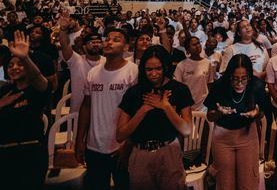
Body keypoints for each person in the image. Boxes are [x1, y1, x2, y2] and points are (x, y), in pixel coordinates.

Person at [117, 46, 193, 190]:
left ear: (165, 67)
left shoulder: (179, 90)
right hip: (141, 153)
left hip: (169, 149)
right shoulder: (134, 92)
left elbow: (187, 130)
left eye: (158, 69)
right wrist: (144, 109)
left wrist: (165, 106)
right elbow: (120, 134)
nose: (153, 74)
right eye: (148, 70)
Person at [76, 27, 139, 190]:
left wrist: (129, 144)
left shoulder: (133, 71)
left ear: (126, 47)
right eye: (108, 38)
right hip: (94, 145)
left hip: (122, 146)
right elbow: (86, 106)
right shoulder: (93, 73)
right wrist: (79, 140)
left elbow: (137, 111)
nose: (109, 42)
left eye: (116, 39)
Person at [205, 54, 267, 190]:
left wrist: (256, 114)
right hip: (222, 137)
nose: (239, 83)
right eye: (235, 79)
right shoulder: (220, 86)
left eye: (244, 79)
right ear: (229, 76)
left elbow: (262, 111)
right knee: (225, 182)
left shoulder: (256, 85)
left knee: (248, 181)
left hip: (247, 136)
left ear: (249, 76)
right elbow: (210, 116)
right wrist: (219, 113)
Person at [0, 31, 50, 189]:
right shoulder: (3, 91)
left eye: (19, 64)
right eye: (10, 65)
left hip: (30, 154)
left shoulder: (36, 90)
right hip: (4, 156)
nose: (14, 68)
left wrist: (25, 57)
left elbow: (39, 79)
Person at [58, 14, 105, 113]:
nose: (96, 44)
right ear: (84, 46)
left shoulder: (107, 62)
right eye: (92, 42)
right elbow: (65, 44)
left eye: (98, 42)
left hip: (101, 112)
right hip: (77, 112)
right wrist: (63, 29)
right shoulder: (76, 60)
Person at [174, 35, 213, 112]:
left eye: (198, 43)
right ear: (188, 49)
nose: (197, 46)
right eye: (194, 45)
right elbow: (177, 87)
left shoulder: (207, 63)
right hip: (186, 105)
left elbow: (210, 84)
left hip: (203, 106)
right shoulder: (182, 65)